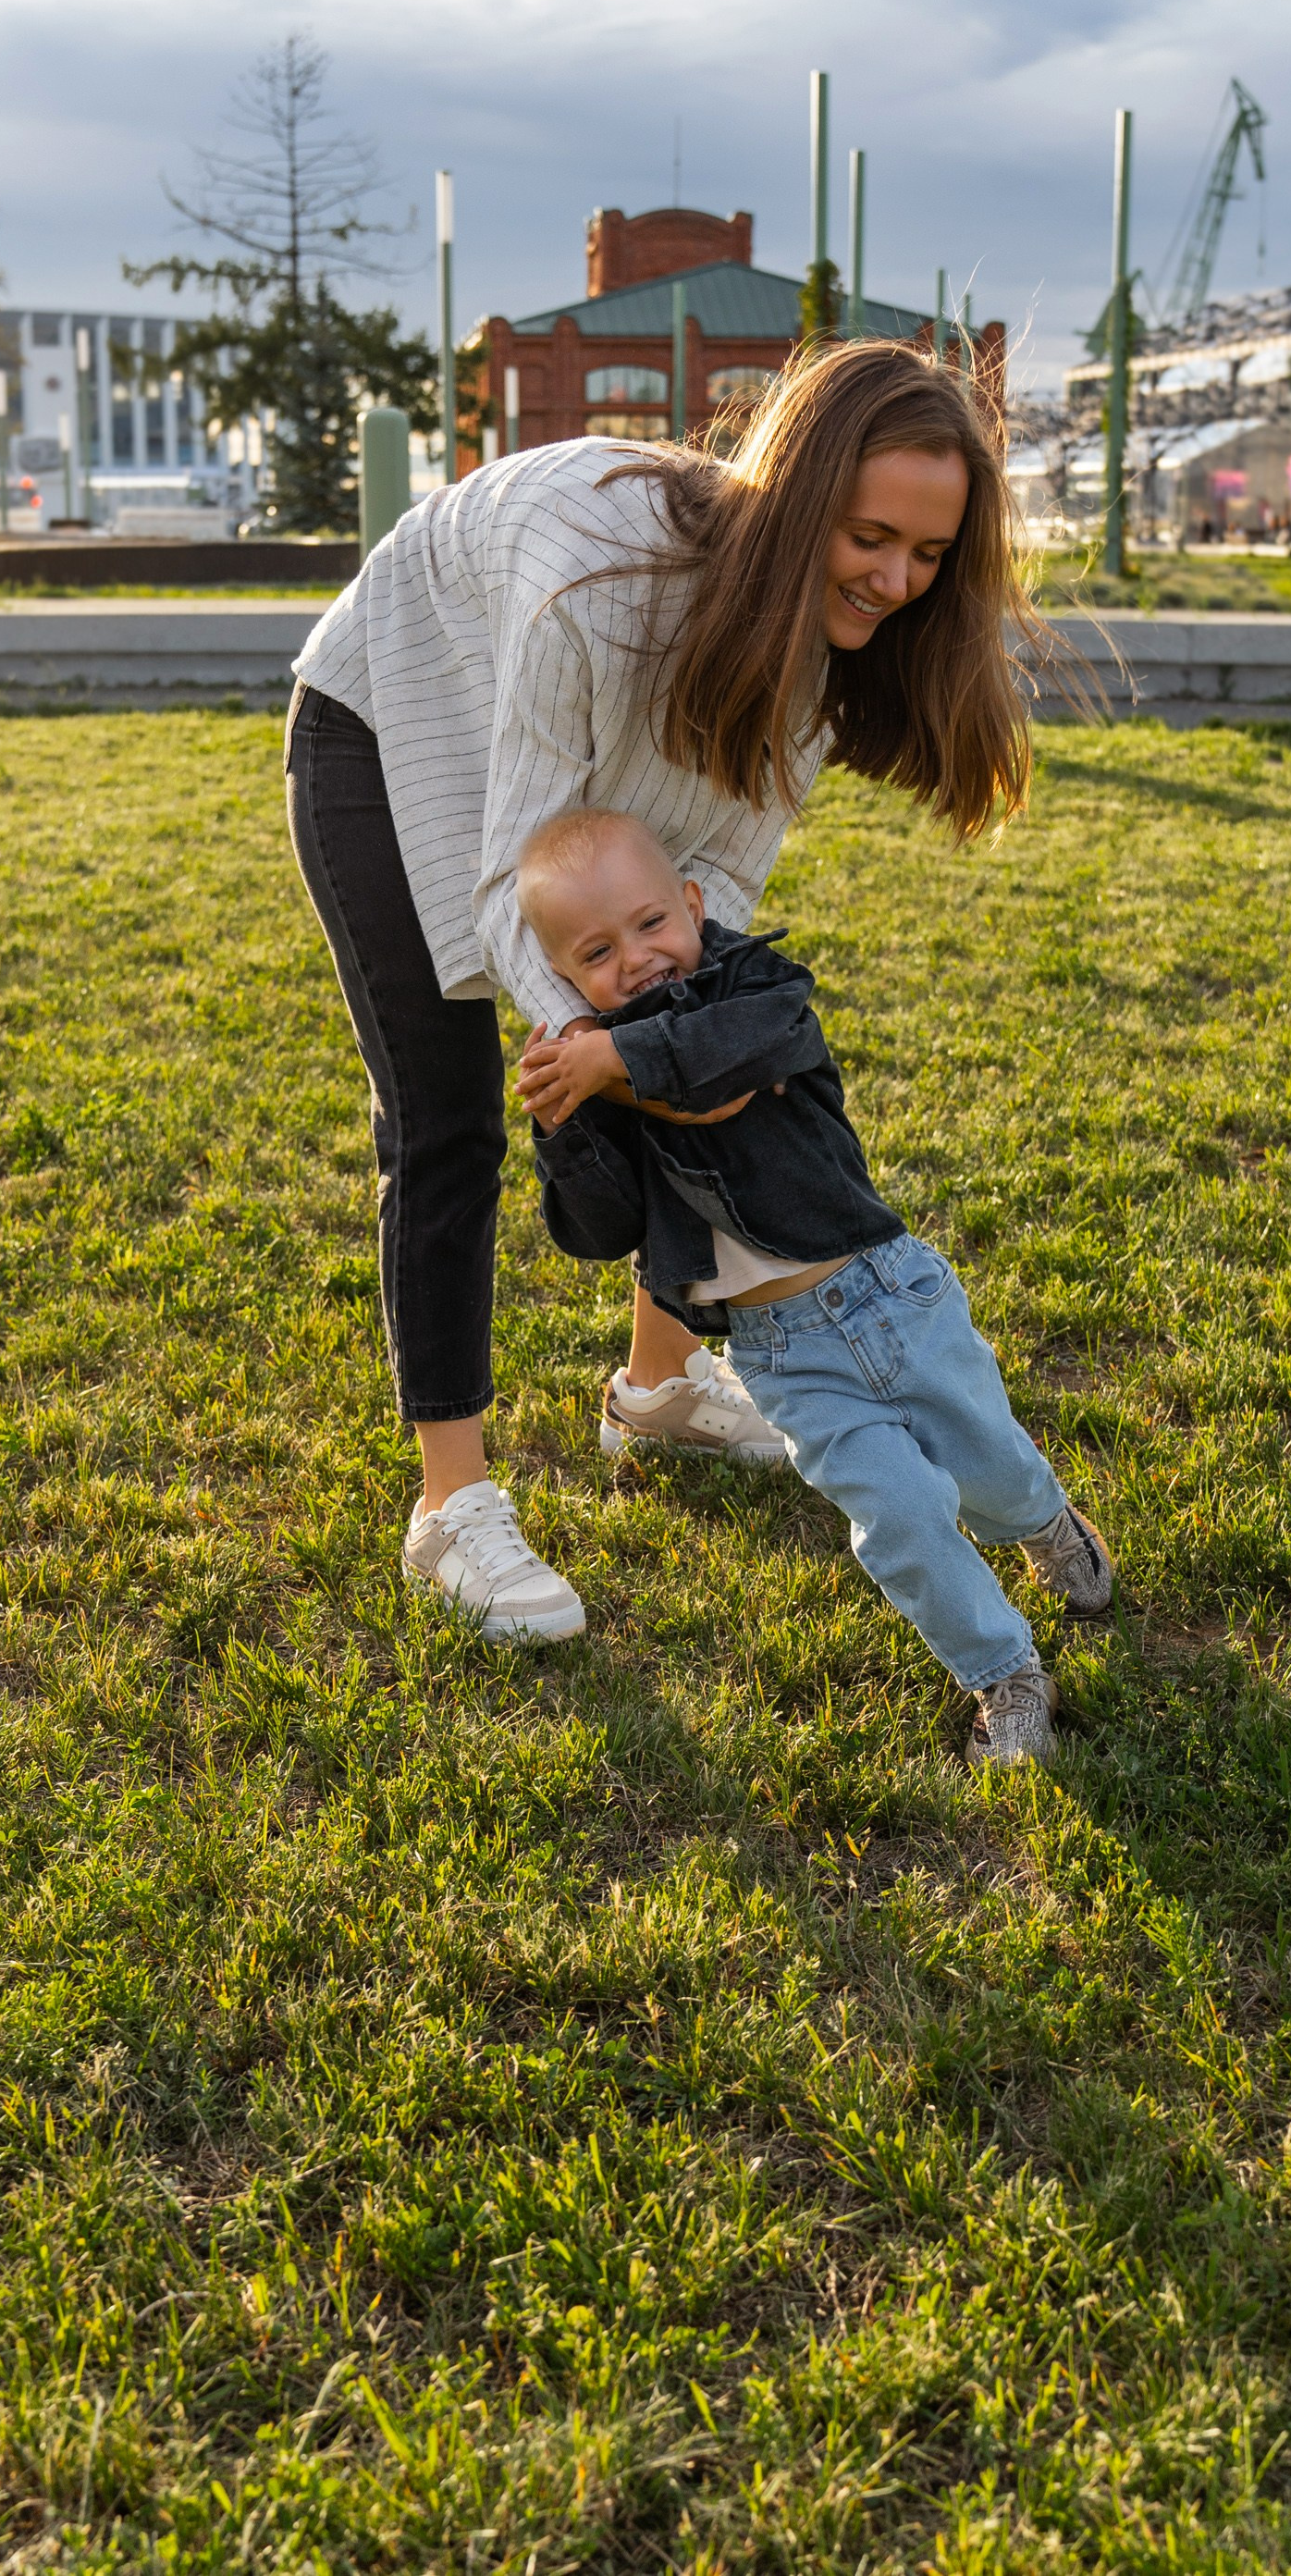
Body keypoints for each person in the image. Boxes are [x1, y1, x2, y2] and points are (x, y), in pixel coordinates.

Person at [285, 338, 1045, 1647]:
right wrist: (589, 1057)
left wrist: (673, 1053)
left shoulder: (825, 644)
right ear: (799, 496)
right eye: (869, 536)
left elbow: (714, 912)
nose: (893, 580)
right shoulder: (595, 582)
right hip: (394, 718)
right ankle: (450, 1510)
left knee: (674, 1030)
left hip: (574, 735)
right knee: (454, 1114)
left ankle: (656, 1386)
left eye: (927, 557)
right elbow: (499, 887)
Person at [512, 807, 1110, 1769]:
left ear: (695, 906)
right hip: (782, 1356)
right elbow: (606, 1229)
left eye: (652, 923)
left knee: (989, 1468)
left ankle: (1042, 1520)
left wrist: (612, 1059)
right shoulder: (597, 1074)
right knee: (902, 1515)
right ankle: (1003, 1673)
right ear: (566, 978)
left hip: (890, 1296)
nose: (637, 958)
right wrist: (564, 1126)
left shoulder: (757, 986)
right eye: (597, 951)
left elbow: (731, 1060)